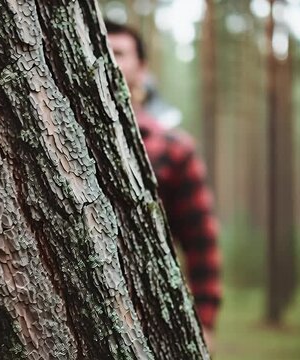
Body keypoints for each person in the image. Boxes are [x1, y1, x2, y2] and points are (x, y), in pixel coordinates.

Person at [105, 20, 222, 348]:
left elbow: (201, 242)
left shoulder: (174, 148)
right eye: (101, 48)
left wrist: (206, 322)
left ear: (141, 68)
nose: (108, 59)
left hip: (150, 318)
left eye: (118, 52)